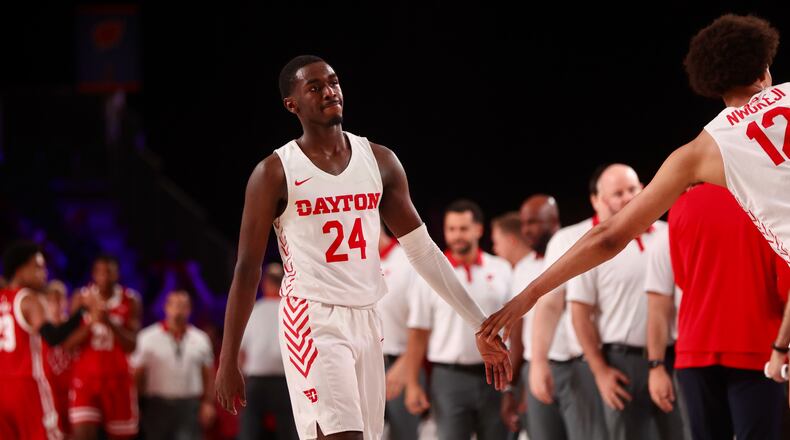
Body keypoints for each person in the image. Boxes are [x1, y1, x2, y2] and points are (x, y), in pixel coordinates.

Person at [214, 55, 510, 440]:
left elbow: (423, 251)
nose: (329, 92)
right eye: (315, 87)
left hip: (369, 317)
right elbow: (246, 269)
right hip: (312, 316)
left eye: (333, 82)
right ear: (293, 105)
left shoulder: (380, 160)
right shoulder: (274, 172)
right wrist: (228, 357)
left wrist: (478, 324)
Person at [480, 14, 790, 349]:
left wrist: (529, 296)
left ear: (713, 85)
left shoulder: (702, 150)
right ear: (763, 71)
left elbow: (609, 237)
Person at [662, 183, 790, 439]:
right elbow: (786, 289)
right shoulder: (768, 198)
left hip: (695, 345)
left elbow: (683, 278)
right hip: (758, 346)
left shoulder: (681, 204)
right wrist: (781, 347)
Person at [565, 165, 683, 439]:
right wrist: (600, 371)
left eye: (632, 189)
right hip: (620, 362)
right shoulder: (595, 247)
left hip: (673, 356)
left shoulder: (670, 234)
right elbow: (580, 314)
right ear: (598, 200)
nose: (628, 197)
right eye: (617, 193)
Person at [403, 200, 512, 440]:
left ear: (478, 230)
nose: (457, 236)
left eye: (463, 229)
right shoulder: (430, 277)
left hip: (495, 376)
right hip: (449, 378)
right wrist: (412, 383)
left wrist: (514, 385)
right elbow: (419, 332)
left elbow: (515, 326)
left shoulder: (502, 269)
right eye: (451, 229)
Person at [0, 241, 89, 440]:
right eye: (38, 266)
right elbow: (53, 337)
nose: (45, 272)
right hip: (26, 385)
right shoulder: (28, 299)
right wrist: (82, 311)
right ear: (20, 270)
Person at [66, 254, 142, 440]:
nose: (104, 277)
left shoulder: (130, 299)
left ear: (117, 274)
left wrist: (109, 322)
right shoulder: (81, 297)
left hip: (118, 379)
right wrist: (92, 321)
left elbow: (132, 345)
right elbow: (68, 344)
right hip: (85, 379)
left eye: (109, 272)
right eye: (99, 272)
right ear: (93, 274)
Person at [132, 290, 216, 440]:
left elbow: (208, 373)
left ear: (189, 309)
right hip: (156, 405)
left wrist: (208, 403)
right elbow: (137, 375)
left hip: (189, 405)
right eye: (175, 305)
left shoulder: (201, 338)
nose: (178, 309)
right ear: (166, 307)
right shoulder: (147, 337)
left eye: (183, 305)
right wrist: (137, 406)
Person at [239, 263, 299, 440]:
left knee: (250, 432)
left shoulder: (253, 310)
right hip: (286, 381)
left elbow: (241, 353)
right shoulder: (293, 309)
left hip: (258, 380)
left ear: (265, 283)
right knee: (289, 432)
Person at [376, 225, 424, 440]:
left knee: (404, 435)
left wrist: (405, 364)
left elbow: (425, 320)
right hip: (362, 362)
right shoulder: (350, 264)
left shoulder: (406, 261)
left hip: (400, 361)